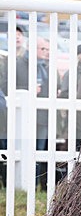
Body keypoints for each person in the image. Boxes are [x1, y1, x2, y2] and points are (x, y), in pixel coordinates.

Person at [17, 37, 51, 187]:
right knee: (24, 150)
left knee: (40, 151)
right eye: (43, 49)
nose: (46, 52)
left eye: (48, 49)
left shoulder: (46, 66)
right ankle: (24, 184)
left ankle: (36, 184)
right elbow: (7, 86)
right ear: (31, 48)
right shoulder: (18, 64)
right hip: (24, 116)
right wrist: (29, 89)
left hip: (43, 115)